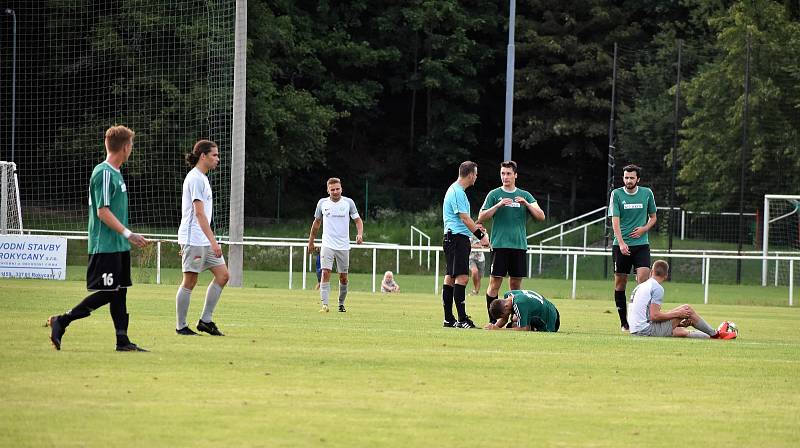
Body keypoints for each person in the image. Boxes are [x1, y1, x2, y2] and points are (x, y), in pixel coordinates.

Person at [46, 125, 149, 351]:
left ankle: (122, 340)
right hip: (105, 246)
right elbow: (102, 212)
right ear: (124, 147)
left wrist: (127, 237)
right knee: (107, 292)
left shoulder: (116, 173)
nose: (131, 148)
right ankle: (61, 321)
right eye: (131, 144)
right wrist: (128, 233)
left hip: (119, 246)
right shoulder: (103, 172)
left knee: (120, 291)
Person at [478, 161, 545, 323]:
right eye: (502, 173)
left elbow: (541, 216)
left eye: (508, 173)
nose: (505, 177)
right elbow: (481, 217)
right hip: (499, 246)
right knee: (495, 283)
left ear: (515, 175)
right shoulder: (494, 194)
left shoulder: (525, 195)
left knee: (515, 285)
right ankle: (493, 320)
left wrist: (527, 204)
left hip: (518, 246)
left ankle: (515, 319)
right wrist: (498, 205)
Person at [174, 140, 229, 336]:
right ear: (203, 156)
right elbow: (199, 214)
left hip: (203, 239)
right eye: (214, 155)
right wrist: (214, 242)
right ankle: (181, 326)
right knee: (190, 281)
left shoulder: (203, 178)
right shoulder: (195, 178)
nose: (218, 159)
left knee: (223, 275)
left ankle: (205, 321)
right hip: (194, 239)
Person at [628, 260, 736, 339]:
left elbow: (648, 316)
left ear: (651, 272)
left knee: (680, 331)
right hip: (645, 330)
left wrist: (678, 320)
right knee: (687, 309)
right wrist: (678, 314)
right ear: (666, 276)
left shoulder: (642, 285)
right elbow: (654, 316)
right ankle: (716, 334)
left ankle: (714, 338)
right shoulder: (657, 288)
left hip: (635, 329)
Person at [609, 164, 657, 332]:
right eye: (626, 177)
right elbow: (615, 220)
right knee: (620, 283)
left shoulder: (647, 193)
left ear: (638, 179)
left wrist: (644, 228)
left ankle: (641, 319)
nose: (628, 180)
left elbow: (653, 217)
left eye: (631, 177)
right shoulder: (616, 194)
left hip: (642, 245)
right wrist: (621, 243)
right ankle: (624, 323)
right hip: (621, 246)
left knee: (643, 282)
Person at [441, 161, 489, 329]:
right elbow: (465, 219)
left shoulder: (455, 190)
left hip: (453, 238)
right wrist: (481, 236)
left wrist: (474, 229)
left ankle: (449, 319)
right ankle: (461, 319)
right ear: (470, 175)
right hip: (456, 239)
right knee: (462, 277)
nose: (476, 177)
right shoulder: (458, 192)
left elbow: (465, 220)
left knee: (451, 277)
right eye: (475, 174)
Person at [308, 178, 364, 313]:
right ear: (328, 190)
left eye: (337, 189)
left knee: (343, 277)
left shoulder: (348, 203)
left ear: (341, 189)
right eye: (332, 189)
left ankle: (341, 303)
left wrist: (360, 234)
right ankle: (325, 305)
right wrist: (311, 241)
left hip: (343, 246)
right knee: (325, 272)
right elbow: (316, 224)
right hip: (327, 244)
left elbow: (358, 220)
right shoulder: (322, 203)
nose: (335, 191)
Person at [484, 289, 560, 332]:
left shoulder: (519, 304)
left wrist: (499, 330)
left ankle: (535, 328)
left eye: (505, 314)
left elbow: (524, 329)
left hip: (551, 321)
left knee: (515, 324)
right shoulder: (508, 295)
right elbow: (504, 320)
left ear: (506, 307)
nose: (506, 316)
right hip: (551, 308)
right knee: (514, 320)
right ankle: (533, 326)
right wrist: (493, 327)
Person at [468, 223, 487, 295]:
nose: (479, 229)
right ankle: (475, 289)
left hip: (481, 258)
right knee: (474, 271)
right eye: (477, 227)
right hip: (471, 257)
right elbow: (468, 245)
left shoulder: (483, 235)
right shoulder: (471, 234)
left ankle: (476, 292)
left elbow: (487, 245)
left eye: (481, 227)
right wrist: (478, 246)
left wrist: (480, 245)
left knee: (479, 277)